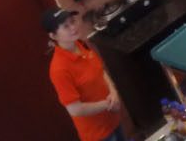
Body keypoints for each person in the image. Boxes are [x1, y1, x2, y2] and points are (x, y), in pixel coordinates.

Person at [43, 8, 126, 141]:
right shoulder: (59, 69)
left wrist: (113, 92)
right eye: (66, 26)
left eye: (72, 21)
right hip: (97, 134)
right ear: (53, 36)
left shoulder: (81, 44)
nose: (73, 27)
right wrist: (107, 104)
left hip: (113, 120)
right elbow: (75, 109)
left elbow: (101, 71)